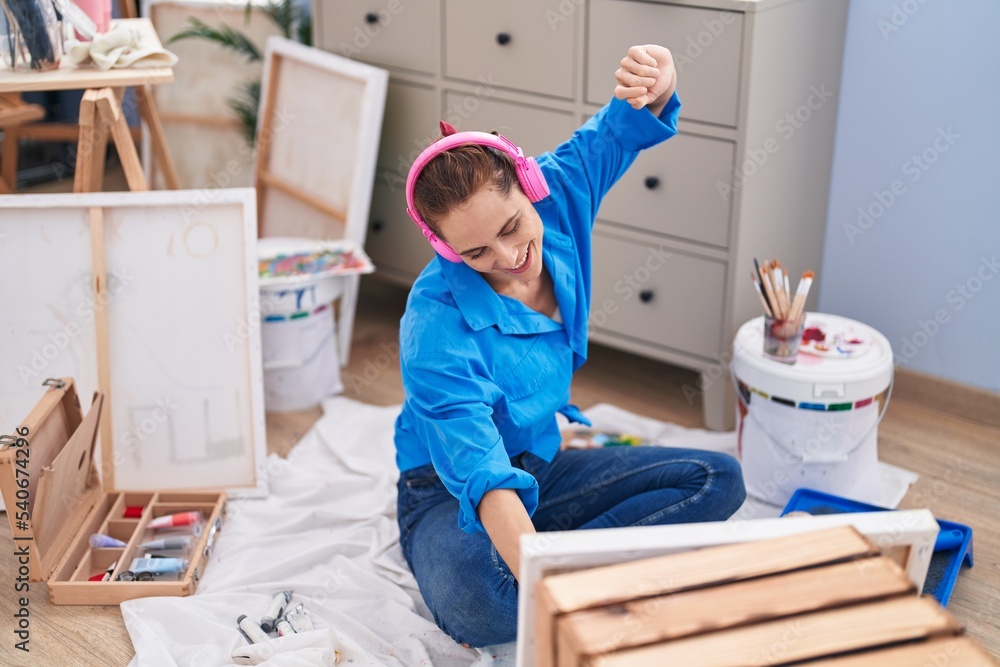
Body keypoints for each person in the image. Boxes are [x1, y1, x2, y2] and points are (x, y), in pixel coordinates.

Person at [394, 44, 746, 647]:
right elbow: (483, 475)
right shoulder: (433, 327)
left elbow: (622, 123)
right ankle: (586, 563)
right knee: (480, 606)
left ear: (528, 187)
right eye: (476, 253)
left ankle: (563, 556)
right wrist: (545, 572)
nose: (507, 260)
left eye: (511, 228)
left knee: (717, 480)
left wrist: (657, 76)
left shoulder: (558, 189)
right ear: (448, 250)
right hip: (451, 489)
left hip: (541, 462)